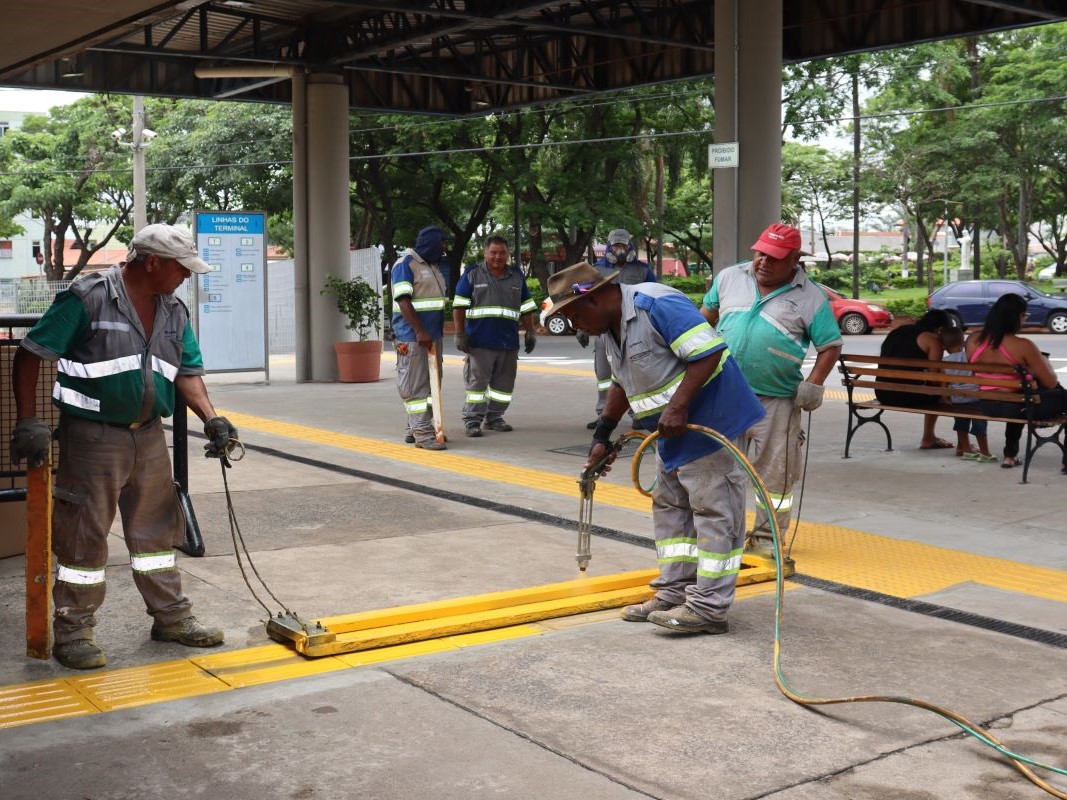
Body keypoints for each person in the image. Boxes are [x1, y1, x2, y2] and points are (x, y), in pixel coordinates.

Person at [8, 223, 235, 670]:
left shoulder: (174, 309)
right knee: (84, 536)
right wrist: (28, 420)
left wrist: (212, 419)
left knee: (157, 534)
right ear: (152, 262)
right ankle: (73, 632)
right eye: (181, 268)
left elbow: (187, 372)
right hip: (92, 438)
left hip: (148, 435)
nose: (186, 276)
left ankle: (171, 617)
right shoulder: (87, 298)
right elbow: (31, 354)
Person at [546, 261, 764, 634]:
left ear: (595, 298)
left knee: (715, 514)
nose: (575, 326)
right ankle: (674, 592)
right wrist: (602, 436)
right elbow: (622, 383)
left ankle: (709, 608)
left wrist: (678, 406)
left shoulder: (657, 304)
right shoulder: (609, 329)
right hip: (670, 434)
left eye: (575, 316)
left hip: (710, 423)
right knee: (671, 510)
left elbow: (708, 353)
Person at [699, 223, 842, 554]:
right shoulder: (729, 278)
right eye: (760, 253)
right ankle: (723, 534)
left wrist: (814, 384)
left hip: (776, 401)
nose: (763, 261)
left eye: (774, 257)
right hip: (725, 394)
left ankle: (767, 539)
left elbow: (830, 346)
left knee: (775, 476)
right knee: (717, 468)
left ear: (794, 260)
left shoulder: (811, 297)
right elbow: (703, 320)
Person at [965, 293, 1067, 472]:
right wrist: (1043, 363)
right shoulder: (1023, 345)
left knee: (1020, 395)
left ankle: (1010, 456)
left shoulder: (973, 339)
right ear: (1017, 316)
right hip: (1018, 407)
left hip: (987, 404)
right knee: (1040, 396)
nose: (1025, 319)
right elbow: (1051, 382)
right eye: (1024, 315)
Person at [452, 236, 537, 436]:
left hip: (508, 342)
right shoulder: (472, 274)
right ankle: (472, 421)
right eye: (493, 252)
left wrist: (530, 331)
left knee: (503, 386)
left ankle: (494, 417)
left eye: (502, 253)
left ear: (508, 254)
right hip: (480, 341)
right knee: (477, 385)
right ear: (485, 253)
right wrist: (459, 333)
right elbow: (459, 306)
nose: (498, 257)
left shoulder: (516, 276)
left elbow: (526, 306)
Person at [579, 229, 657, 429]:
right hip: (604, 330)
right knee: (604, 375)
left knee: (637, 372)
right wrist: (582, 328)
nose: (620, 250)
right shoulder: (596, 271)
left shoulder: (643, 271)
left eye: (623, 245)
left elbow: (655, 295)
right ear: (609, 247)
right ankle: (603, 414)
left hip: (634, 328)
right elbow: (582, 298)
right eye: (616, 246)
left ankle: (639, 414)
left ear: (630, 247)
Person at [391, 225, 450, 451]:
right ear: (430, 243)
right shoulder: (405, 264)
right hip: (413, 337)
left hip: (432, 336)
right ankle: (423, 435)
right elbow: (403, 300)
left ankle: (416, 428)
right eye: (442, 244)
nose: (444, 249)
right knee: (415, 387)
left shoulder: (432, 266)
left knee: (432, 384)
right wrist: (419, 330)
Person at [875, 308, 951, 449]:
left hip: (882, 392)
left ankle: (929, 437)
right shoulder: (932, 339)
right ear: (940, 329)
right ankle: (929, 437)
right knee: (943, 392)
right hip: (907, 396)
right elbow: (934, 378)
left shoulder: (896, 333)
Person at [941, 325, 995, 461]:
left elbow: (944, 384)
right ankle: (985, 453)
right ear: (963, 342)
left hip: (957, 399)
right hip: (976, 398)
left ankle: (966, 450)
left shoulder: (944, 362)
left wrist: (946, 397)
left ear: (944, 346)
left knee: (961, 424)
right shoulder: (970, 356)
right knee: (979, 424)